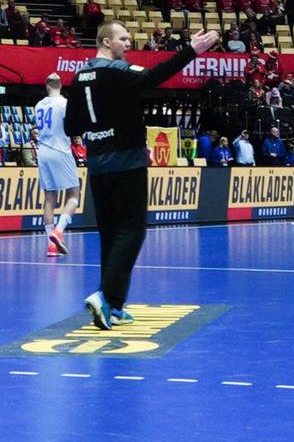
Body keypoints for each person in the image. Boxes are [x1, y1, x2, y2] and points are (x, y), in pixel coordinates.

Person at [64, 20, 219, 329]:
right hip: (127, 162)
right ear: (106, 42)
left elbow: (71, 128)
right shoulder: (119, 72)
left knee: (110, 234)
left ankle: (115, 306)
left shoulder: (79, 78)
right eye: (123, 38)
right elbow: (154, 76)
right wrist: (191, 51)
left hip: (97, 166)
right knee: (132, 231)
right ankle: (105, 296)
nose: (128, 44)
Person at [34, 73, 82, 257]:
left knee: (49, 200)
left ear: (47, 87)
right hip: (60, 149)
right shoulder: (64, 104)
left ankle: (51, 245)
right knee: (74, 195)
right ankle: (58, 231)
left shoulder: (38, 105)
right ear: (61, 86)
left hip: (43, 153)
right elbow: (71, 127)